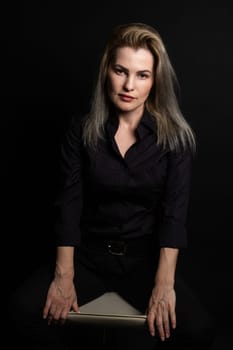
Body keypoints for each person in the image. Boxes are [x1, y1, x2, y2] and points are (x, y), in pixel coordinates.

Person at [8, 22, 215, 349]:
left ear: (155, 80)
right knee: (19, 311)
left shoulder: (175, 139)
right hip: (87, 258)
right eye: (121, 71)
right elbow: (68, 204)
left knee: (199, 329)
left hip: (142, 262)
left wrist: (164, 285)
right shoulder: (81, 130)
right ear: (107, 71)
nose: (129, 85)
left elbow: (173, 216)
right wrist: (64, 276)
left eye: (142, 75)